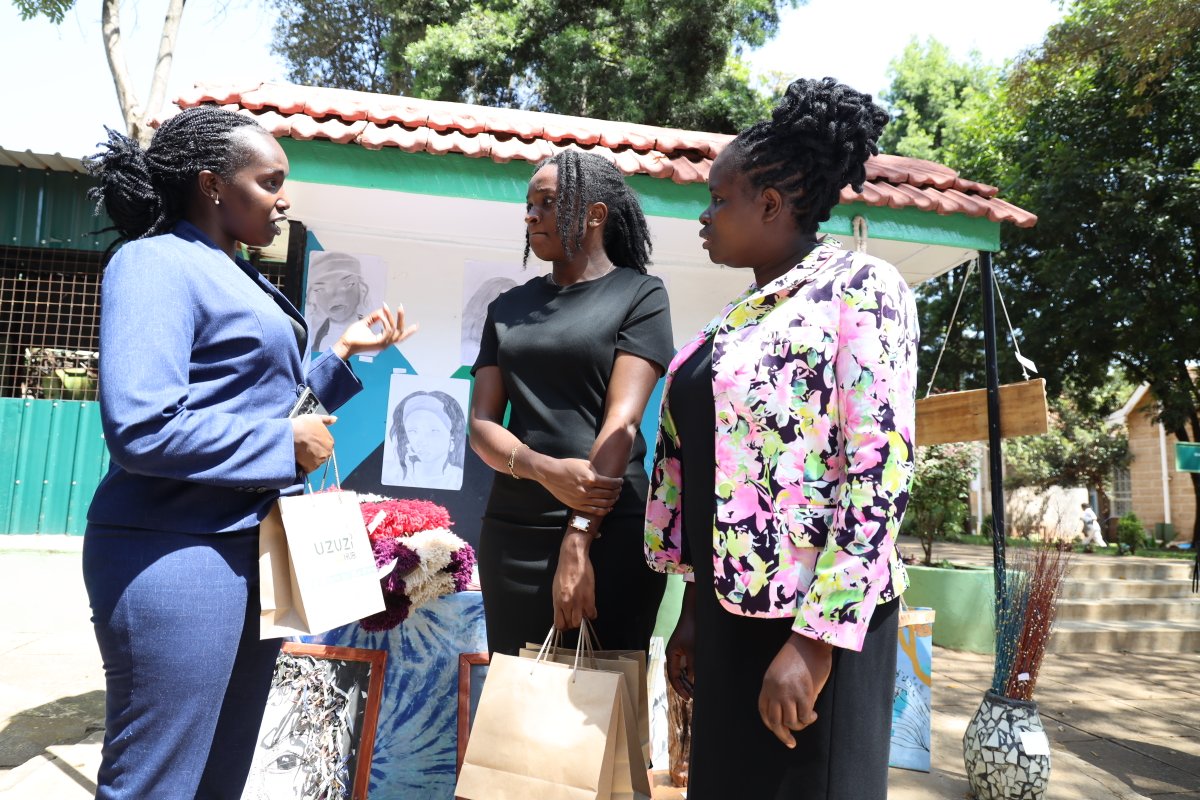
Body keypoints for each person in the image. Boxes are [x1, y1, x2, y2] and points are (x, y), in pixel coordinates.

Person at [83, 106, 416, 800]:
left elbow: (259, 402)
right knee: (158, 780)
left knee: (220, 775)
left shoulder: (233, 271)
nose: (284, 199)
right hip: (177, 557)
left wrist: (342, 356)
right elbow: (142, 425)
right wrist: (280, 443)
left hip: (251, 555)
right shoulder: (154, 263)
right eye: (269, 182)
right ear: (211, 184)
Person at [644, 77, 918, 800]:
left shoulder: (862, 288)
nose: (704, 217)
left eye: (718, 200)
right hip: (733, 621)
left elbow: (878, 469)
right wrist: (693, 614)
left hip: (813, 625)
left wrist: (814, 641)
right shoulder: (741, 318)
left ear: (771, 203)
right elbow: (714, 473)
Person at [469, 149, 674, 656]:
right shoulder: (507, 307)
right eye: (529, 203)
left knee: (600, 711)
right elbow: (481, 424)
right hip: (513, 532)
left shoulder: (640, 295)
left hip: (610, 532)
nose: (530, 214)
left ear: (594, 214)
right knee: (518, 706)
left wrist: (578, 539)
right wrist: (542, 469)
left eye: (547, 202)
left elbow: (622, 422)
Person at [386, 389, 467, 490]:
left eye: (434, 431)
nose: (422, 441)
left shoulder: (459, 480)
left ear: (452, 437)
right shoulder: (391, 475)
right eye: (413, 431)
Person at [306, 252, 372, 353]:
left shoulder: (374, 334)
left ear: (362, 288)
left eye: (348, 284)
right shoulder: (316, 338)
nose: (334, 295)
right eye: (320, 289)